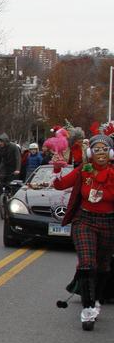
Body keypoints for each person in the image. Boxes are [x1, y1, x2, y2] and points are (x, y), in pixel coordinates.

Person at [53, 135, 114, 329]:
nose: (101, 153)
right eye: (97, 150)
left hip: (109, 222)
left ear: (111, 153)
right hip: (84, 221)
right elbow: (60, 184)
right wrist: (57, 168)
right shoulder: (83, 171)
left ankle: (96, 299)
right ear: (90, 153)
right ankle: (87, 310)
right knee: (87, 263)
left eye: (105, 149)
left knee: (103, 266)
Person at [0, 133, 21, 206]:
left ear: (6, 141)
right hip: (4, 165)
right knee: (1, 179)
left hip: (13, 166)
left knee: (12, 182)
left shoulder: (14, 147)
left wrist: (18, 169)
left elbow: (18, 158)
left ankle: (13, 196)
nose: (0, 143)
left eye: (2, 141)